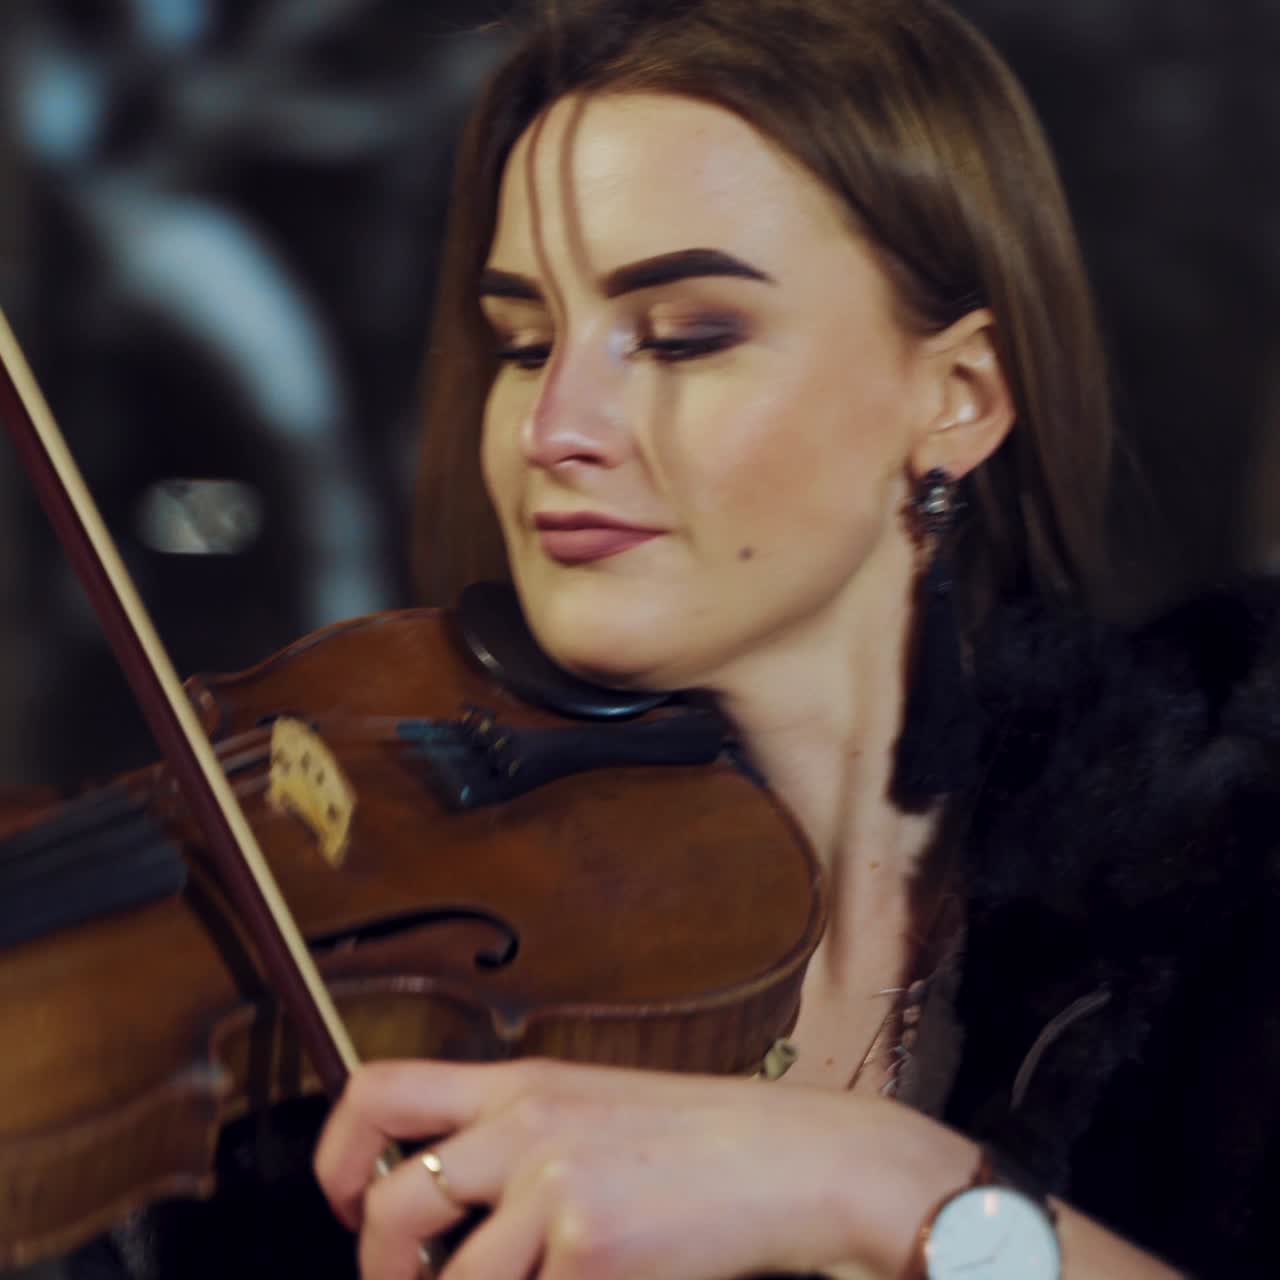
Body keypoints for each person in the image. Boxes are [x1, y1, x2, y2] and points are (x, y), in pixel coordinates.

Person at [311, 0, 1280, 1276]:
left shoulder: (1229, 862)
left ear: (954, 397)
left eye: (687, 335)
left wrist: (878, 1181)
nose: (555, 426)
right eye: (522, 342)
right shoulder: (404, 942)